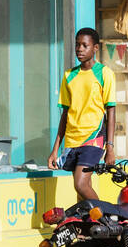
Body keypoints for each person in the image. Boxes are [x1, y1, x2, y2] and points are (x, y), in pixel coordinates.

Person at [48, 28, 116, 202]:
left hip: (93, 139)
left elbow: (111, 110)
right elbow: (65, 114)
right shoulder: (69, 76)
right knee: (82, 194)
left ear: (95, 48)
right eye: (77, 45)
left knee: (80, 184)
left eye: (85, 45)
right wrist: (55, 149)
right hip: (72, 141)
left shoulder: (104, 73)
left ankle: (106, 221)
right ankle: (87, 228)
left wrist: (110, 146)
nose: (79, 49)